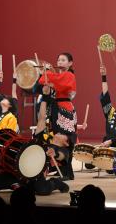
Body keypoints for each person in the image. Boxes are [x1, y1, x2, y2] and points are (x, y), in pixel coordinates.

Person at [0, 85, 69, 195]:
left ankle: (55, 183)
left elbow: (63, 155)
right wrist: (45, 98)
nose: (59, 134)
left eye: (63, 135)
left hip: (34, 173)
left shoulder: (58, 149)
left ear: (65, 142)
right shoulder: (38, 140)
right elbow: (41, 117)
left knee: (42, 190)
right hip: (13, 168)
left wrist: (55, 153)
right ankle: (16, 183)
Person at [37, 52, 77, 180]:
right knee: (57, 138)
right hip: (55, 109)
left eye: (63, 60)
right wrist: (45, 73)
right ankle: (67, 172)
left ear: (70, 63)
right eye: (58, 60)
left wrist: (47, 72)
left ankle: (67, 172)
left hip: (66, 109)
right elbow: (42, 81)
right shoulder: (57, 75)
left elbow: (58, 82)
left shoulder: (69, 75)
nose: (59, 62)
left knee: (63, 139)